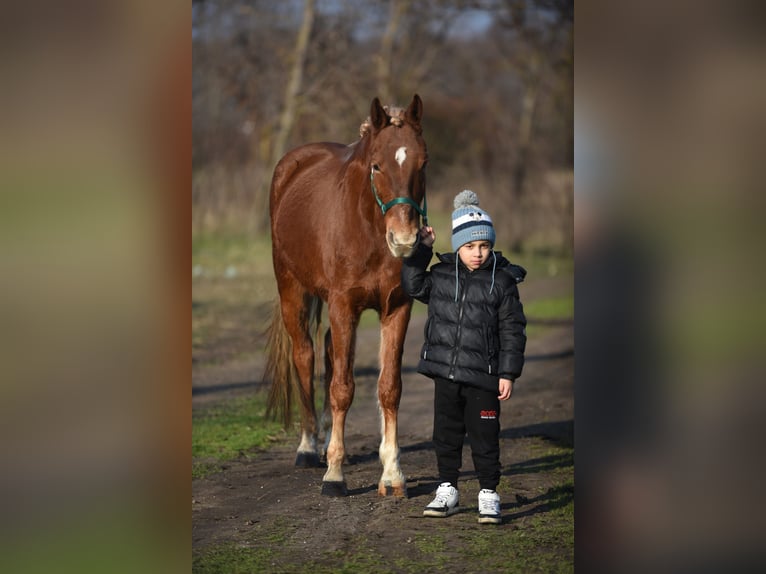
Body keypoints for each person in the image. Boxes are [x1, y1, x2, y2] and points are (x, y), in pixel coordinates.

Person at [401, 190, 527, 524]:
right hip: (447, 375)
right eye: (470, 246)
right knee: (446, 434)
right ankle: (448, 489)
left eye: (484, 246)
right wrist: (421, 250)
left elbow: (513, 330)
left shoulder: (502, 281)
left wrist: (508, 373)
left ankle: (488, 493)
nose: (477, 253)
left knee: (485, 436)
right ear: (458, 245)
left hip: (484, 378)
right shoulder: (441, 276)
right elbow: (412, 284)